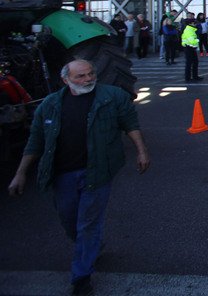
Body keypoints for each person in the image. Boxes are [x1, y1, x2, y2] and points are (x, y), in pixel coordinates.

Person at [7, 59, 150, 296]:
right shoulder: (51, 105)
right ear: (66, 79)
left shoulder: (112, 97)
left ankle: (81, 276)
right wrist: (20, 173)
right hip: (63, 175)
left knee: (88, 224)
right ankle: (91, 248)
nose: (88, 79)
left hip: (97, 172)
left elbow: (130, 124)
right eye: (81, 76)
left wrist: (142, 151)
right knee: (70, 220)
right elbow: (36, 140)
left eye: (91, 74)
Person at [181, 18, 203, 82]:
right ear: (190, 23)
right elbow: (192, 41)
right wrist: (198, 40)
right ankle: (188, 78)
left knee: (194, 62)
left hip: (191, 48)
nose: (195, 24)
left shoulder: (191, 30)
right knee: (189, 63)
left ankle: (194, 76)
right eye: (194, 23)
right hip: (188, 48)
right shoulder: (189, 30)